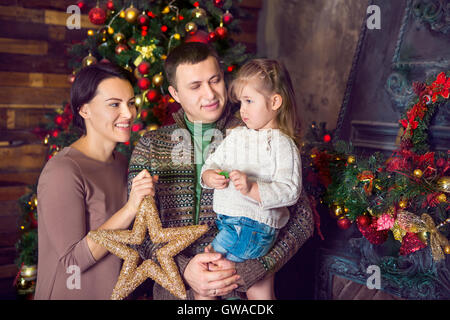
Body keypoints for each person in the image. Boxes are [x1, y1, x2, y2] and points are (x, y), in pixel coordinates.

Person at [129, 42, 314, 300]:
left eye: (215, 81)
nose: (210, 94)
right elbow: (139, 230)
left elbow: (303, 220)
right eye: (195, 86)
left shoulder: (257, 131)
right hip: (174, 293)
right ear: (175, 93)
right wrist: (184, 270)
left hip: (239, 293)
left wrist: (254, 269)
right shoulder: (150, 146)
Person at [35, 63, 157, 299]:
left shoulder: (123, 163)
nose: (129, 113)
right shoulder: (63, 171)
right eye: (114, 104)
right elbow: (72, 262)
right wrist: (130, 209)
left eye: (131, 103)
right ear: (84, 110)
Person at [199, 59, 302, 300]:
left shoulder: (281, 144)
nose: (242, 110)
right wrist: (210, 176)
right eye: (240, 102)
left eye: (249, 101)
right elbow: (211, 163)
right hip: (228, 223)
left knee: (209, 275)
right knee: (258, 290)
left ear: (275, 102)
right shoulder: (236, 137)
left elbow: (290, 190)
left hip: (252, 227)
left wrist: (253, 188)